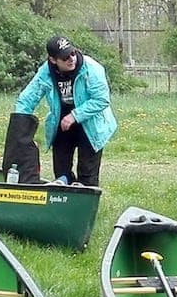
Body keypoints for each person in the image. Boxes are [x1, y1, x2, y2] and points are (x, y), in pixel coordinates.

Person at [14, 35, 117, 187]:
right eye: (65, 57)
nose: (71, 59)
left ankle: (85, 206)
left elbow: (101, 100)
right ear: (53, 60)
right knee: (61, 173)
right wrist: (19, 123)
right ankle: (64, 203)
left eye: (73, 54)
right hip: (62, 123)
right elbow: (28, 98)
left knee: (87, 174)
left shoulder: (92, 69)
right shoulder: (46, 72)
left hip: (91, 123)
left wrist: (74, 116)